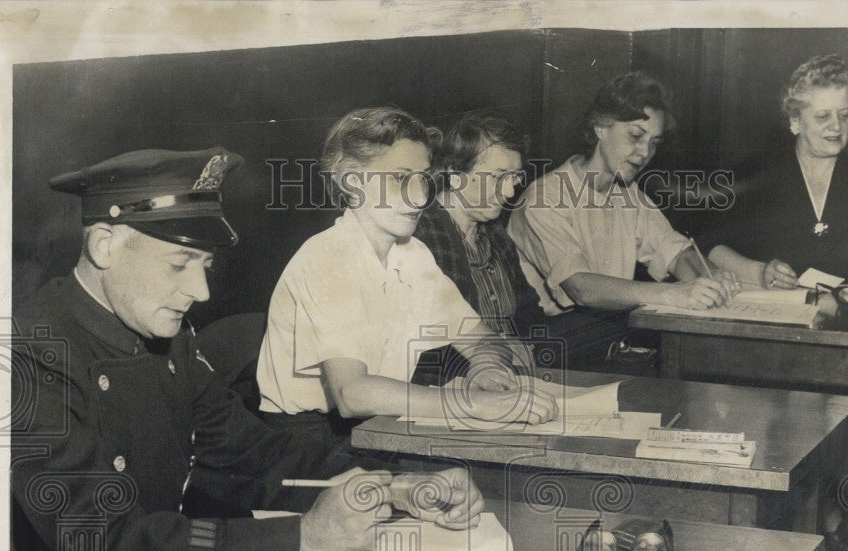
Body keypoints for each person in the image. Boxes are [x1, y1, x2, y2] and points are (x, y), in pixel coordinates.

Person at [8, 147, 485, 551]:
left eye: (204, 265)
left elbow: (253, 456)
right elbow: (105, 542)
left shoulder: (169, 342)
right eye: (180, 263)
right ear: (104, 244)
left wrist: (394, 487)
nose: (200, 291)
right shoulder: (28, 357)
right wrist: (304, 539)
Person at [256, 107, 557, 445]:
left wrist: (485, 370)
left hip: (380, 426)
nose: (419, 195)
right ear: (353, 184)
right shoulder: (329, 257)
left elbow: (481, 339)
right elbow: (351, 394)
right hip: (306, 442)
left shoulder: (413, 255)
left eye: (424, 178)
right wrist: (473, 404)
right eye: (399, 178)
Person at [507, 71, 738, 371]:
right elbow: (582, 288)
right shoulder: (544, 197)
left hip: (606, 337)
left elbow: (675, 250)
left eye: (654, 142)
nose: (645, 153)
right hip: (550, 348)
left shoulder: (628, 194)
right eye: (635, 136)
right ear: (601, 127)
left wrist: (709, 278)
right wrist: (675, 293)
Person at [703, 53, 848, 288]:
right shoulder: (756, 175)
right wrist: (759, 272)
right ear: (796, 121)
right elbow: (710, 244)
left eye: (844, 115)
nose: (837, 126)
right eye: (822, 116)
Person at [413, 112, 543, 339]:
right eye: (497, 177)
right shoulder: (422, 235)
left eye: (514, 178)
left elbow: (528, 311)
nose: (510, 192)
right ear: (455, 174)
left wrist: (528, 346)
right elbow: (426, 336)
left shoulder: (495, 232)